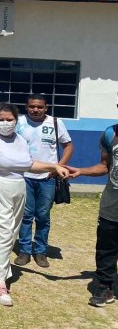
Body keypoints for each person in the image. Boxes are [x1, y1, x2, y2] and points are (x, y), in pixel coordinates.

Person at [0, 103, 70, 307]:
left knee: (7, 234)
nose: (5, 123)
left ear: (16, 120)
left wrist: (54, 166)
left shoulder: (20, 140)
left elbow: (28, 164)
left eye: (9, 119)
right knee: (3, 234)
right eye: (1, 119)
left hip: (17, 189)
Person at [66, 97, 118, 307]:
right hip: (112, 205)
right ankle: (106, 287)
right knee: (106, 249)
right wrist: (82, 171)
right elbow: (105, 166)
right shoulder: (110, 134)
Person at [14, 94, 73, 268]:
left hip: (47, 179)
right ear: (26, 107)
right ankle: (24, 251)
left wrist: (58, 167)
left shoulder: (55, 123)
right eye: (32, 106)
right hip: (24, 177)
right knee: (25, 216)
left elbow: (68, 145)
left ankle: (40, 251)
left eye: (40, 107)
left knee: (42, 216)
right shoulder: (18, 122)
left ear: (46, 108)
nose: (35, 110)